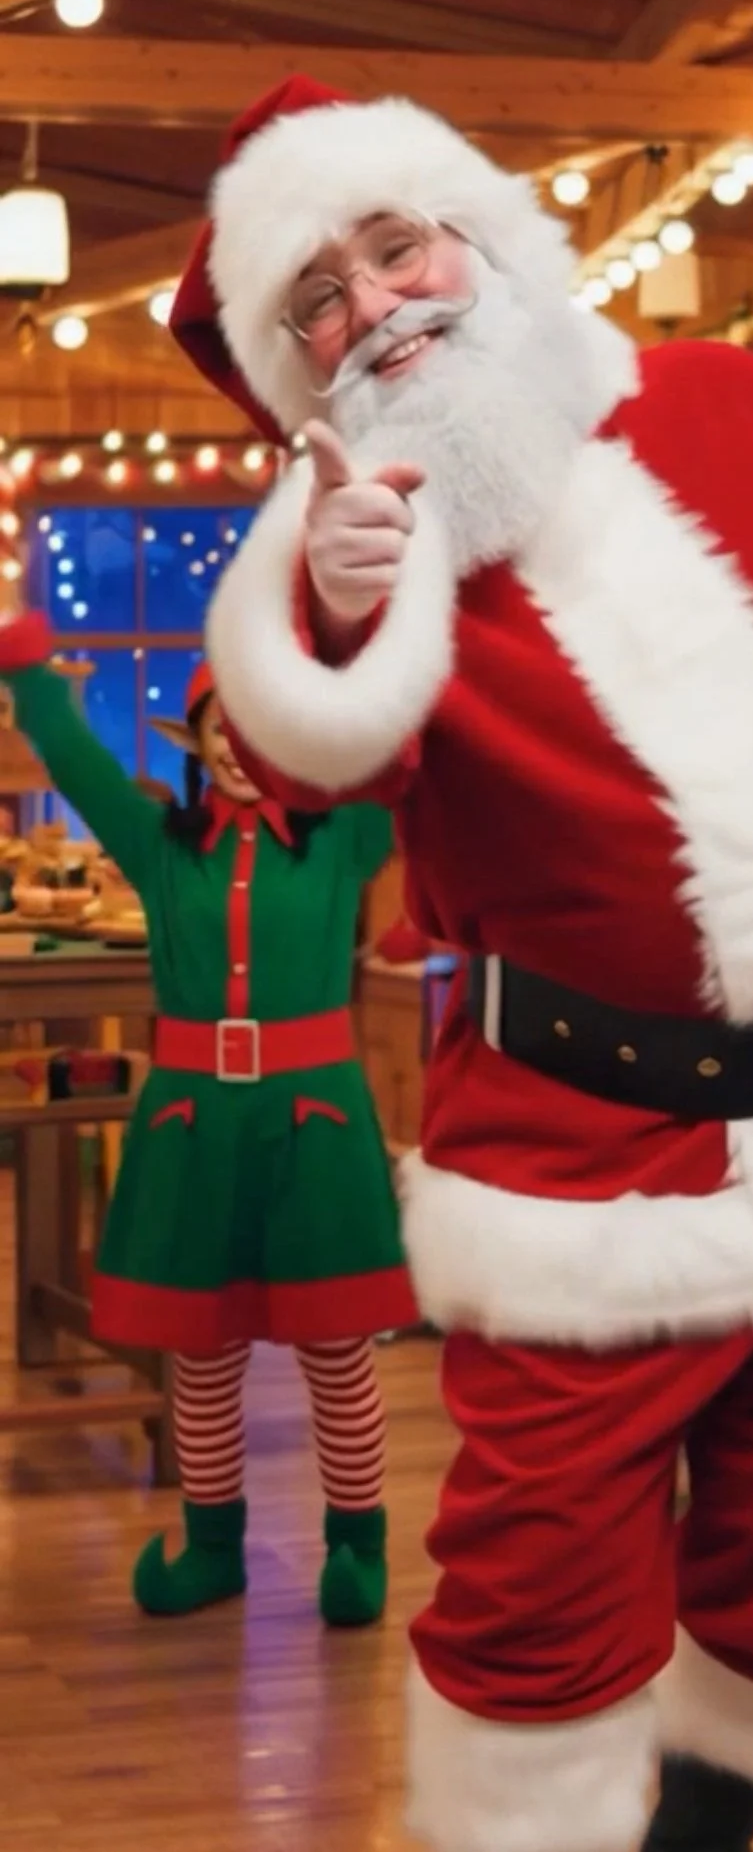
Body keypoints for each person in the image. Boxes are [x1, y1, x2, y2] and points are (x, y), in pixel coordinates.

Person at [168, 72, 753, 1852]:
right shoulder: (358, 547)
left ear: (484, 239)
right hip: (584, 1157)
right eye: (320, 300)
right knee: (534, 1605)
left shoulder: (744, 401)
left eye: (398, 249)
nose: (378, 307)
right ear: (297, 366)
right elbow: (293, 763)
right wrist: (322, 599)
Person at [0, 627, 416, 1624]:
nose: (236, 744)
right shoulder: (161, 846)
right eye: (216, 727)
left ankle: (358, 1546)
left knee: (336, 1347)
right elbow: (81, 765)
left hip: (312, 1121)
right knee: (202, 1349)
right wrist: (26, 671)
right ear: (194, 740)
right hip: (194, 1124)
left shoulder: (345, 835)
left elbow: (409, 750)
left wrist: (367, 647)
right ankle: (214, 1544)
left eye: (258, 726)